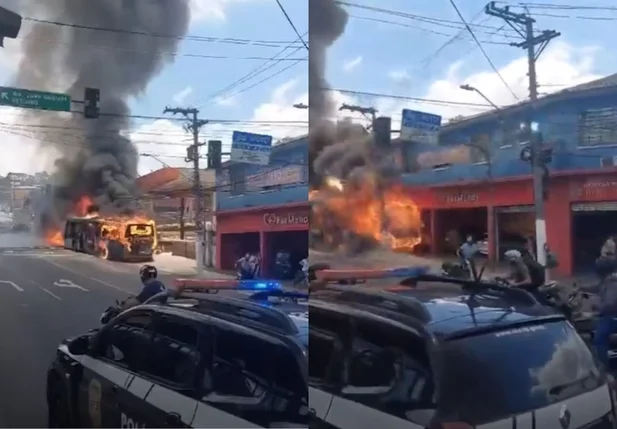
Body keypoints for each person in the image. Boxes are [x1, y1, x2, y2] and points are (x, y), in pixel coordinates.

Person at [593, 271, 617, 369]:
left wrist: (597, 307)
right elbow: (596, 287)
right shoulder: (606, 280)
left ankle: (603, 367)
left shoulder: (613, 283)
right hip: (611, 315)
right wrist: (580, 287)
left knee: (599, 338)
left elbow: (610, 305)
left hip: (613, 317)